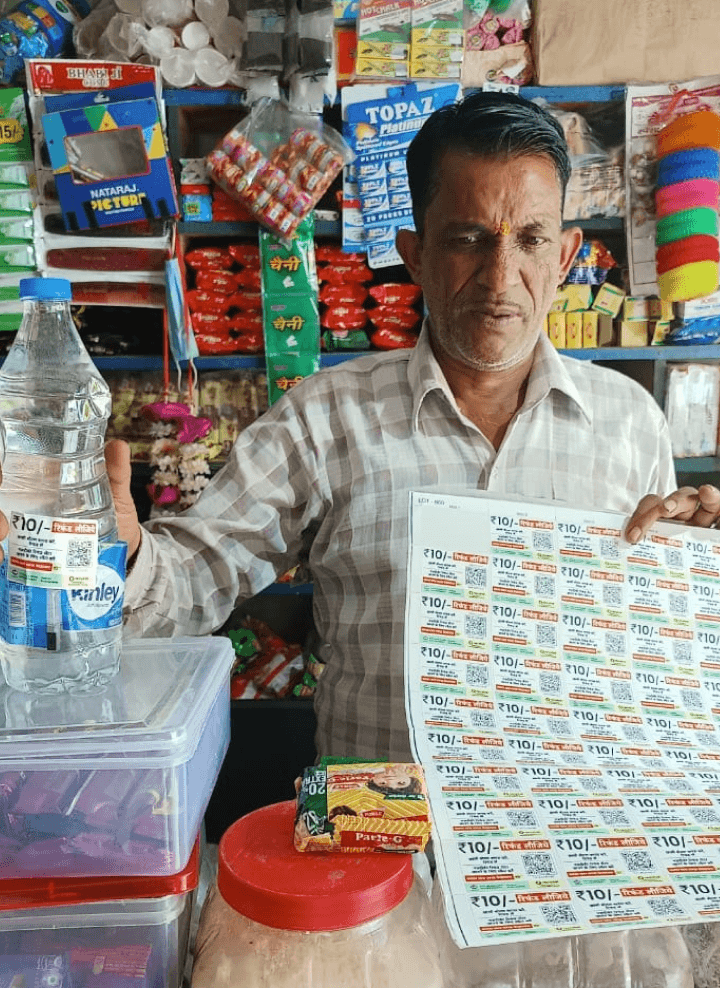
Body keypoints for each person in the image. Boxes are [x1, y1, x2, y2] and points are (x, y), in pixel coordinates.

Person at [2, 91, 720, 761]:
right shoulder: (325, 419)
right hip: (372, 834)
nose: (501, 278)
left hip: (567, 826)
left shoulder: (631, 420)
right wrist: (117, 554)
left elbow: (656, 648)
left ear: (563, 256)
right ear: (415, 255)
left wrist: (694, 571)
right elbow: (193, 579)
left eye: (530, 240)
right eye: (469, 238)